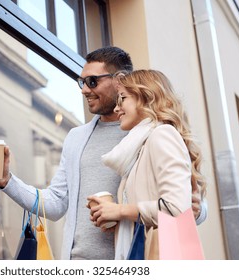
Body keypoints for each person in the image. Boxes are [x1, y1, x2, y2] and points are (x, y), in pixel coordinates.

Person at [0, 47, 207, 260]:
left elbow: (184, 202)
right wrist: (7, 181)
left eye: (92, 81)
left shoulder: (150, 134)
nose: (85, 89)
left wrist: (195, 209)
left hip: (135, 257)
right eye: (82, 82)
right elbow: (56, 203)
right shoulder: (76, 138)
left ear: (119, 81)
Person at [88, 69, 207, 259]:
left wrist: (120, 211)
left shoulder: (162, 134)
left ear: (146, 98)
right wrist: (114, 217)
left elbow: (176, 208)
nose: (117, 108)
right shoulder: (139, 148)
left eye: (123, 99)